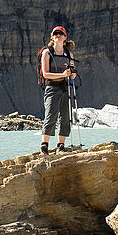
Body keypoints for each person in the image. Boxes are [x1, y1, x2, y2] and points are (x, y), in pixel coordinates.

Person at [39, 26, 76, 154]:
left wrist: (71, 74)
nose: (58, 35)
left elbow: (73, 72)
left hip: (65, 88)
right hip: (51, 88)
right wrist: (62, 75)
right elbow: (46, 74)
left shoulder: (69, 54)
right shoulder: (47, 53)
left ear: (65, 37)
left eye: (61, 33)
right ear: (52, 36)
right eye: (56, 33)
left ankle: (61, 145)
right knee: (50, 116)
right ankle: (44, 145)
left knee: (66, 117)